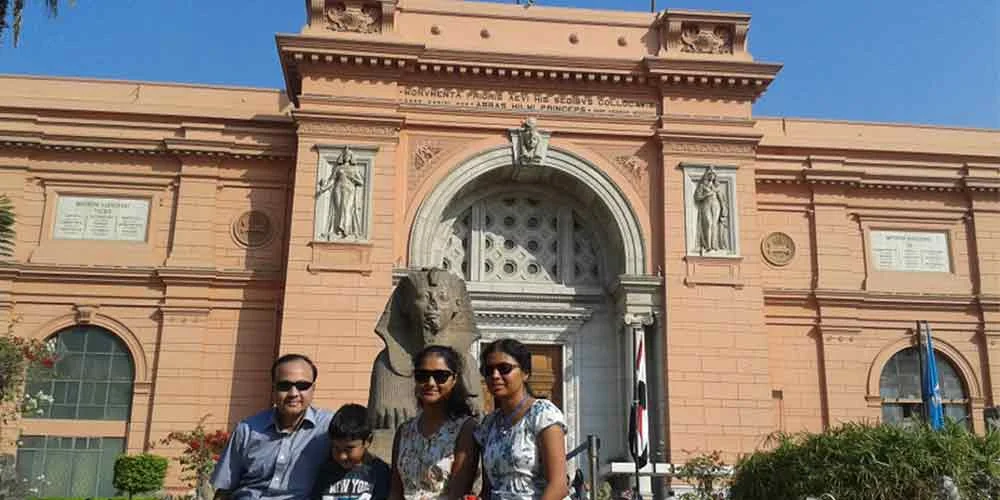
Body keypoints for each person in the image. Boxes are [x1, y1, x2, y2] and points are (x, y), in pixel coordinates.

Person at [212, 354, 335, 500]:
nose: (293, 393)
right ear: (273, 388)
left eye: (302, 386)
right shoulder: (247, 430)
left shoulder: (329, 427)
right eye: (284, 386)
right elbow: (225, 489)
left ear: (313, 388)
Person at [475, 339, 569, 500]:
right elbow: (488, 488)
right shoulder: (488, 424)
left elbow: (558, 485)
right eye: (488, 370)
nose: (495, 376)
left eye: (504, 369)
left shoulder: (543, 413)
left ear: (525, 373)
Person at [390, 345, 478, 500]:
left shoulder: (465, 429)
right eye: (422, 375)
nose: (430, 383)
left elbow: (458, 493)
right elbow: (395, 492)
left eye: (440, 376)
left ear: (454, 379)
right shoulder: (404, 431)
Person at [313, 403, 391, 500]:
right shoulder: (326, 471)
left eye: (349, 448)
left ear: (367, 441)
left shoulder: (379, 471)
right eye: (336, 448)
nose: (342, 456)